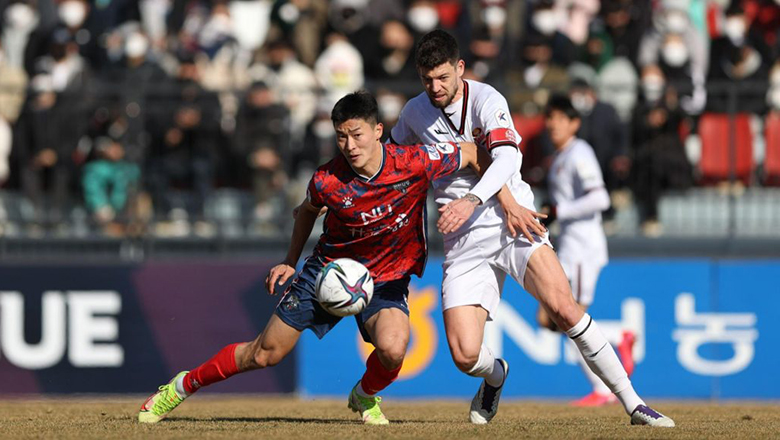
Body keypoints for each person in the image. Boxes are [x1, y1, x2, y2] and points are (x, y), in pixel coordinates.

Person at [137, 91, 490, 425]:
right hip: (326, 272)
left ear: (378, 131)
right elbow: (306, 212)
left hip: (386, 277)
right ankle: (182, 386)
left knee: (395, 350)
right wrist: (291, 261)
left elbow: (472, 152)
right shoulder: (327, 179)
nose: (350, 146)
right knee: (264, 354)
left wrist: (499, 200)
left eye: (357, 134)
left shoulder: (414, 161)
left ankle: (365, 395)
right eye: (341, 137)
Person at [392, 29, 674, 427]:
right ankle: (496, 375)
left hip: (514, 221)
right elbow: (394, 161)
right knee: (463, 354)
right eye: (426, 80)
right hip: (462, 237)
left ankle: (634, 403)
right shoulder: (413, 113)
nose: (435, 87)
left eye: (442, 77)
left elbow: (507, 158)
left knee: (564, 309)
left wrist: (474, 199)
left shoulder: (488, 99)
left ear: (460, 68)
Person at [538, 95, 636, 406]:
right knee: (549, 317)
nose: (552, 123)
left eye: (559, 118)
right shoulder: (561, 157)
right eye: (549, 117)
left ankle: (602, 388)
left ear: (574, 123)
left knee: (569, 317)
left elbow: (600, 199)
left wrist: (559, 210)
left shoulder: (581, 153)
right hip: (568, 246)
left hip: (582, 248)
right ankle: (619, 336)